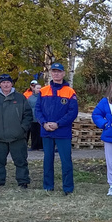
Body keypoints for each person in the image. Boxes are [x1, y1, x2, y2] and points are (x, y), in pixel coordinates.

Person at [0, 74, 33, 188]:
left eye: (8, 82)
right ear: (0, 84)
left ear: (12, 84)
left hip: (17, 136)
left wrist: (23, 129)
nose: (6, 85)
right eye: (3, 82)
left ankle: (23, 182)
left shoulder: (20, 98)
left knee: (21, 161)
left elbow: (28, 115)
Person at [35, 63, 78, 194]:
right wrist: (44, 123)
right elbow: (37, 110)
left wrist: (58, 124)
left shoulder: (70, 92)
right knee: (48, 160)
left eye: (59, 71)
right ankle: (48, 186)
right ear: (51, 74)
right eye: (54, 71)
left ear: (63, 74)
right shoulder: (43, 91)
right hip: (46, 131)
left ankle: (68, 188)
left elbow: (72, 113)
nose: (56, 74)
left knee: (66, 161)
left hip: (62, 132)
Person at [26, 81, 43, 151]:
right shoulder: (30, 98)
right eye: (37, 88)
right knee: (33, 133)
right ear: (34, 89)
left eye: (40, 88)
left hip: (41, 118)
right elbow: (27, 107)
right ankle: (34, 146)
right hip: (32, 118)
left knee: (40, 133)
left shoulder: (43, 98)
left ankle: (41, 146)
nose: (38, 89)